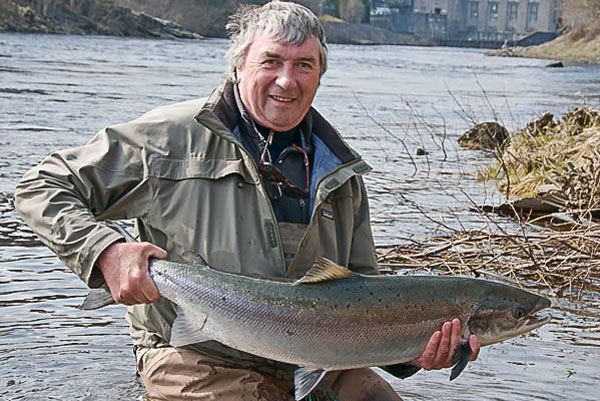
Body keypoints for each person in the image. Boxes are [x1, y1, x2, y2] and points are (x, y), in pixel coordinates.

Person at [14, 1, 479, 400]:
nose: (286, 81)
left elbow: (368, 299)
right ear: (238, 66)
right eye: (271, 61)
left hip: (317, 357)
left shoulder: (343, 173)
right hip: (195, 354)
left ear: (320, 75)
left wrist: (415, 353)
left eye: (304, 65)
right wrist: (106, 252)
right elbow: (40, 187)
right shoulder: (167, 139)